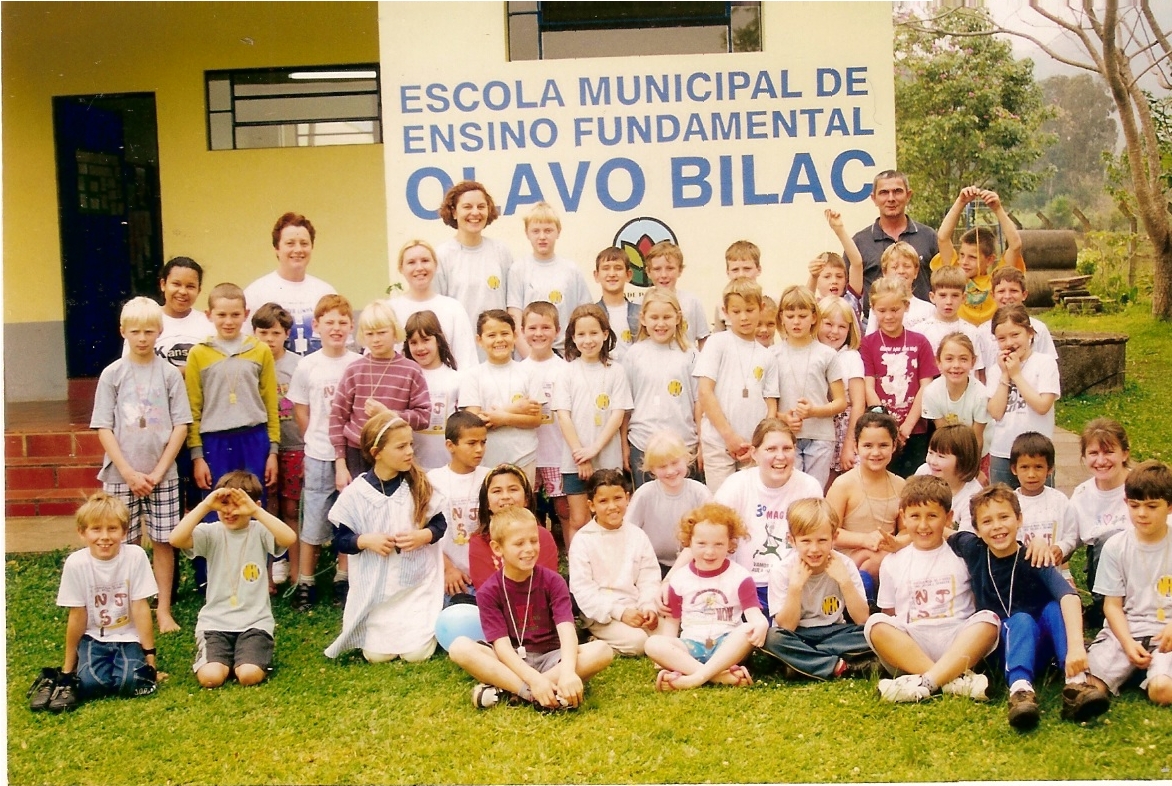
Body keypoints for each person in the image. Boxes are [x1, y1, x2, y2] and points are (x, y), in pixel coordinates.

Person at [950, 485, 1106, 728]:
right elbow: (940, 532)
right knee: (1020, 619)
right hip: (1001, 648)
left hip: (1041, 646)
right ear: (977, 530)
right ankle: (1020, 691)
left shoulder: (1034, 556)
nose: (997, 526)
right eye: (987, 521)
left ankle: (1075, 682)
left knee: (1054, 608)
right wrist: (899, 543)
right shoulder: (974, 549)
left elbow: (1069, 596)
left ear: (1019, 519)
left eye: (1004, 517)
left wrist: (1077, 647)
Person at [448, 507, 614, 709]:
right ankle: (536, 693)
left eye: (533, 541)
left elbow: (567, 629)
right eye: (519, 543)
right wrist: (534, 682)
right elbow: (502, 647)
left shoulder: (553, 581)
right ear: (497, 548)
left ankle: (511, 690)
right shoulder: (489, 591)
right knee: (460, 648)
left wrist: (568, 671)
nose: (529, 549)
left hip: (553, 658)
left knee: (602, 650)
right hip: (511, 661)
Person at [92, 296, 191, 633]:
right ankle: (130, 607)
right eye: (135, 331)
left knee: (164, 541)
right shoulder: (113, 375)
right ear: (123, 332)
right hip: (122, 475)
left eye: (150, 331)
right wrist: (129, 472)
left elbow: (181, 425)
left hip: (162, 475)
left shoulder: (169, 375)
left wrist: (159, 471)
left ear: (159, 332)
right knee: (125, 541)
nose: (143, 338)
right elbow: (103, 426)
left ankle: (162, 610)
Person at [864, 476, 1000, 702]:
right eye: (915, 516)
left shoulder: (961, 556)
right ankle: (953, 681)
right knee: (875, 624)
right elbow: (890, 613)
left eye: (932, 516)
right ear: (903, 518)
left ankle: (923, 683)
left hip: (957, 640)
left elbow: (977, 601)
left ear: (948, 518)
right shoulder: (893, 561)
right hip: (915, 643)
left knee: (989, 620)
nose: (923, 525)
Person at [325, 412, 448, 663]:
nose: (410, 452)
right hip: (376, 592)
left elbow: (439, 524)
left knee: (417, 655)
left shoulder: (418, 485)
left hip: (416, 586)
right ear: (377, 452)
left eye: (411, 445)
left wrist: (422, 536)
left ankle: (422, 630)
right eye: (401, 446)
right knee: (376, 656)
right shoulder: (356, 493)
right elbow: (339, 539)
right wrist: (365, 541)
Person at [31, 492, 159, 712]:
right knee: (90, 685)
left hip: (128, 637)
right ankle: (56, 678)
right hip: (93, 638)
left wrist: (150, 661)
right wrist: (68, 671)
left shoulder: (135, 556)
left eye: (112, 528)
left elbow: (140, 607)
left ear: (124, 531)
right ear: (82, 532)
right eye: (96, 529)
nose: (105, 537)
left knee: (133, 682)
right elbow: (77, 615)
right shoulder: (76, 563)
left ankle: (126, 667)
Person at [169, 471, 296, 688]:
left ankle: (249, 658)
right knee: (211, 677)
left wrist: (256, 511)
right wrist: (206, 505)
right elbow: (176, 538)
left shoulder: (260, 531)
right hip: (216, 623)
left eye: (237, 504)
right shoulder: (211, 532)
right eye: (224, 504)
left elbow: (289, 538)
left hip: (255, 622)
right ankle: (222, 659)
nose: (229, 511)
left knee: (248, 675)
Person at [645, 502, 768, 691]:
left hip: (727, 646)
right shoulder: (679, 579)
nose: (710, 552)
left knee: (746, 630)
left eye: (719, 544)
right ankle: (718, 676)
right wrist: (666, 657)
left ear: (730, 544)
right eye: (701, 544)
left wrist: (761, 623)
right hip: (691, 646)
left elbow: (754, 616)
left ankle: (693, 678)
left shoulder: (740, 576)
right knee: (653, 643)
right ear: (689, 543)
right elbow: (671, 623)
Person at [287, 294, 361, 612]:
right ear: (316, 326)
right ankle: (306, 581)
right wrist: (315, 440)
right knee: (314, 518)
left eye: (342, 322)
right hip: (319, 453)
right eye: (329, 322)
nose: (336, 328)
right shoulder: (307, 365)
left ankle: (343, 578)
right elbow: (300, 410)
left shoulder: (357, 363)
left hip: (352, 453)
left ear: (351, 327)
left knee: (348, 516)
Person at [714, 419, 824, 617]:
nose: (780, 456)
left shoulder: (809, 487)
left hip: (792, 582)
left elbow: (818, 539)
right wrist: (670, 580)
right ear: (754, 453)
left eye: (787, 448)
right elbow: (708, 532)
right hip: (746, 585)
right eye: (771, 449)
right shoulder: (737, 484)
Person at [1084, 460, 1172, 707]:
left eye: (1152, 506)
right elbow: (1112, 606)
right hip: (1128, 629)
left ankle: (1153, 675)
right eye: (1135, 506)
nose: (1142, 513)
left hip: (1166, 633)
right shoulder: (1116, 546)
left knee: (1163, 691)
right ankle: (1131, 670)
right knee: (1088, 686)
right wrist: (1127, 643)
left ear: (1170, 506)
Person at [185, 282, 279, 510]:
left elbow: (270, 403)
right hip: (215, 441)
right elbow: (193, 407)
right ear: (209, 315)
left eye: (235, 315)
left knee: (254, 505)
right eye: (222, 315)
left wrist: (273, 451)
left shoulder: (260, 350)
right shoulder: (198, 353)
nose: (229, 321)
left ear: (246, 315)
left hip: (254, 439)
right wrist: (197, 456)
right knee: (217, 505)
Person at [760, 498, 873, 680]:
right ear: (792, 540)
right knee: (771, 638)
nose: (814, 549)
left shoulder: (844, 564)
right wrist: (795, 587)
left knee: (872, 632)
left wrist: (844, 581)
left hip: (835, 631)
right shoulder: (782, 571)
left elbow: (862, 619)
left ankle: (803, 662)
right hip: (798, 634)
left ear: (834, 538)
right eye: (806, 541)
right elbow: (787, 626)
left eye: (822, 540)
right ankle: (838, 666)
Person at [329, 299, 430, 501]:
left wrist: (389, 415)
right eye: (369, 334)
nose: (375, 339)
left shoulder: (411, 370)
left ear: (394, 332)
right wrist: (340, 463)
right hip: (357, 454)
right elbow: (337, 418)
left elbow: (424, 416)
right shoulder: (354, 370)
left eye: (381, 332)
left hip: (397, 453)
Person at [553, 304, 634, 549]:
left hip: (607, 457)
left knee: (609, 517)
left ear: (605, 334)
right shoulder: (566, 372)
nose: (588, 340)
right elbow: (563, 416)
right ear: (573, 337)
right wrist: (581, 454)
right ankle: (579, 572)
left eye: (594, 333)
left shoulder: (616, 371)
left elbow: (617, 414)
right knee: (579, 519)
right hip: (575, 459)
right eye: (581, 334)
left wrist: (594, 450)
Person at [695, 277, 778, 492]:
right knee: (722, 505)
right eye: (736, 311)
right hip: (718, 442)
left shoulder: (767, 356)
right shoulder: (717, 343)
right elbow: (705, 393)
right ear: (725, 311)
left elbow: (771, 406)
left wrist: (759, 443)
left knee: (750, 504)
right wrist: (729, 436)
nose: (743, 317)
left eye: (750, 310)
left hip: (752, 447)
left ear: (761, 308)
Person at [568, 470, 660, 656]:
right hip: (603, 613)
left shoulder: (637, 535)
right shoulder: (583, 540)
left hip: (635, 606)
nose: (612, 507)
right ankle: (594, 639)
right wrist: (620, 612)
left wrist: (648, 607)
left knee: (666, 633)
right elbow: (583, 590)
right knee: (639, 642)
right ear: (591, 505)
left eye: (617, 498)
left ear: (627, 498)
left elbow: (649, 576)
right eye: (603, 501)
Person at [860, 276, 939, 478]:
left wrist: (908, 426)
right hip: (881, 430)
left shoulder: (920, 342)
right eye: (882, 310)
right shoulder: (868, 343)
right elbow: (869, 386)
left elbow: (926, 385)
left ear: (906, 306)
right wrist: (887, 423)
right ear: (873, 309)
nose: (888, 316)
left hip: (915, 430)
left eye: (895, 310)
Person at [1055, 418, 1132, 623]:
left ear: (1124, 453)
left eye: (1108, 452)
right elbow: (1070, 539)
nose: (1101, 460)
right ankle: (1105, 607)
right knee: (1106, 542)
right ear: (1084, 456)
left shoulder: (1139, 486)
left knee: (1114, 538)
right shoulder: (1082, 495)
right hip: (1104, 572)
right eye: (1093, 453)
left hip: (1142, 565)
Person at [623, 287, 700, 489]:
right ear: (643, 319)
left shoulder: (690, 354)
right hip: (643, 443)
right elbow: (625, 406)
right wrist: (624, 445)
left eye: (667, 317)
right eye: (654, 317)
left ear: (678, 317)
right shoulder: (634, 355)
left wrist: (702, 442)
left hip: (684, 444)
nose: (660, 323)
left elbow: (698, 403)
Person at [826, 411, 905, 601]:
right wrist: (864, 540)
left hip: (885, 554)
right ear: (856, 446)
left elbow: (905, 530)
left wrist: (896, 542)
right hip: (849, 558)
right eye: (868, 446)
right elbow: (828, 533)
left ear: (894, 445)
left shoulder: (901, 485)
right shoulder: (843, 485)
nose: (876, 453)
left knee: (879, 559)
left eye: (883, 445)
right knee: (870, 560)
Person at [250, 302, 302, 589]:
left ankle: (295, 571)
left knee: (291, 510)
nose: (269, 339)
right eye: (263, 332)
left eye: (275, 333)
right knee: (266, 510)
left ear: (286, 334)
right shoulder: (252, 362)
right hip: (261, 446)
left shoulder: (297, 366)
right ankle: (267, 575)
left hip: (293, 445)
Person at [774, 285, 846, 488]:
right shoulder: (772, 355)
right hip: (786, 437)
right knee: (788, 491)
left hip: (821, 437)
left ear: (814, 317)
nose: (796, 321)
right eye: (790, 315)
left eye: (802, 315)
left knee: (814, 492)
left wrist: (815, 411)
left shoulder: (827, 354)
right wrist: (783, 418)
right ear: (781, 318)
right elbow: (767, 403)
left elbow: (841, 401)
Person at [459, 310, 542, 477]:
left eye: (505, 333)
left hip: (524, 457)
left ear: (515, 335)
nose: (499, 340)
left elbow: (535, 419)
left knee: (522, 503)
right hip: (486, 461)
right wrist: (515, 408)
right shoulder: (472, 376)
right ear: (479, 340)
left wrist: (503, 418)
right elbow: (473, 424)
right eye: (491, 335)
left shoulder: (529, 372)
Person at [986, 304, 1060, 488]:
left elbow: (1043, 406)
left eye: (1015, 335)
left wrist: (1017, 375)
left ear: (1030, 333)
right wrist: (1005, 375)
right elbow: (995, 412)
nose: (1009, 343)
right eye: (1002, 338)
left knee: (1041, 506)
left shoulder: (1045, 363)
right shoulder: (996, 369)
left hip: (1037, 452)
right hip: (1002, 451)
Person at [243, 212, 336, 356]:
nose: (298, 250)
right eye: (290, 243)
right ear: (277, 249)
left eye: (304, 243)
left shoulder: (326, 292)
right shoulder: (256, 292)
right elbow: (245, 343)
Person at [506, 201, 591, 357]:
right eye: (536, 231)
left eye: (548, 230)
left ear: (558, 231)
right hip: (529, 356)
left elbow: (585, 316)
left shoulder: (571, 270)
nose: (542, 237)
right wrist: (532, 360)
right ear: (527, 233)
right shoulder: (518, 269)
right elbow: (515, 322)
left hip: (566, 357)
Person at [626, 431, 713, 576]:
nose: (670, 471)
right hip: (651, 564)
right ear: (652, 469)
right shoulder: (644, 494)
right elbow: (629, 532)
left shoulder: (700, 492)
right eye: (662, 466)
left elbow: (711, 533)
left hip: (693, 562)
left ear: (686, 458)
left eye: (674, 462)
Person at [936, 187, 1024, 327]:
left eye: (972, 257)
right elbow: (942, 238)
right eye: (962, 255)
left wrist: (998, 209)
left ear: (990, 259)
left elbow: (1015, 245)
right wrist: (960, 202)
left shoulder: (998, 280)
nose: (964, 262)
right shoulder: (955, 276)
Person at [435, 181, 514, 332]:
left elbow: (511, 307)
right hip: (458, 349)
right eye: (467, 207)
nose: (475, 212)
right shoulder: (442, 255)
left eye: (481, 206)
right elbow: (437, 311)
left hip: (497, 349)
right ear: (454, 212)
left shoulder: (501, 251)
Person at [519, 301, 570, 533]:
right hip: (527, 454)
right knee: (528, 511)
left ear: (557, 331)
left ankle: (570, 558)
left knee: (564, 509)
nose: (539, 333)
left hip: (557, 453)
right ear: (522, 331)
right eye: (532, 328)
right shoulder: (517, 370)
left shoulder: (566, 369)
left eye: (546, 327)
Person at [850, 169, 940, 302]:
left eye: (897, 191)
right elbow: (849, 293)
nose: (891, 198)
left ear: (908, 195)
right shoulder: (859, 242)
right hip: (875, 321)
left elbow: (944, 282)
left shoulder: (928, 237)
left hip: (923, 320)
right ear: (874, 198)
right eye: (884, 193)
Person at [428, 411, 490, 602]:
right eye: (471, 443)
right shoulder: (433, 481)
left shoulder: (491, 477)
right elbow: (424, 532)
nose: (479, 449)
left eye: (483, 442)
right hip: (450, 574)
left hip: (488, 572)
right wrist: (447, 568)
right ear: (450, 445)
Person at [389, 239, 478, 370]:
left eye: (425, 260)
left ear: (435, 265)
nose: (419, 268)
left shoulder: (453, 308)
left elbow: (467, 362)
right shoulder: (389, 310)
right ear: (401, 268)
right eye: (411, 262)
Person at [468, 464, 560, 590]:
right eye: (497, 491)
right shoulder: (479, 541)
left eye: (513, 489)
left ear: (526, 499)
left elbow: (548, 586)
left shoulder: (542, 535)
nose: (505, 496)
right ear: (487, 503)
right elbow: (486, 590)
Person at [401, 309, 463, 471]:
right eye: (413, 342)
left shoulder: (456, 379)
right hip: (413, 468)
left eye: (425, 340)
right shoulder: (405, 378)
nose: (420, 348)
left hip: (448, 466)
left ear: (438, 340)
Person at [817, 295, 864, 485]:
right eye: (828, 324)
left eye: (842, 326)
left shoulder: (851, 357)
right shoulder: (812, 353)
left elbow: (859, 404)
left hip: (845, 430)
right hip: (819, 429)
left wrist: (848, 445)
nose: (834, 332)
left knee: (846, 481)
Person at [979, 266, 1057, 374]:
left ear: (1024, 294)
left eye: (1013, 291)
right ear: (993, 295)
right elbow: (980, 371)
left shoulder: (1039, 328)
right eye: (1001, 291)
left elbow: (1049, 365)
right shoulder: (982, 331)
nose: (1007, 296)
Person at [920, 333, 989, 450]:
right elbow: (943, 434)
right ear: (938, 361)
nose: (956, 365)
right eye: (949, 359)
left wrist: (969, 467)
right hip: (951, 450)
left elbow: (977, 439)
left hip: (978, 452)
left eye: (963, 359)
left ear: (973, 362)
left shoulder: (981, 395)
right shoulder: (931, 392)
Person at [915, 266, 987, 372]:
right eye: (943, 295)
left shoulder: (971, 331)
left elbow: (976, 371)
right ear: (932, 297)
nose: (949, 301)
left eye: (955, 295)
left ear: (963, 298)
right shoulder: (920, 332)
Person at [1010, 432, 1073, 553]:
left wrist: (1061, 547)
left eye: (1038, 467)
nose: (1031, 475)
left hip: (1051, 569)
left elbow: (1071, 534)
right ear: (1014, 469)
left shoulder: (1059, 501)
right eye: (1024, 467)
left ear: (1050, 469)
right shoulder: (1009, 502)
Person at [151, 256, 213, 374]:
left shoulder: (209, 324)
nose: (183, 292)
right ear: (163, 284)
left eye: (190, 286)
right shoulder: (146, 320)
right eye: (176, 284)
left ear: (199, 290)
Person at [917, 424, 983, 532]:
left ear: (963, 459)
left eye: (941, 456)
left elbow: (966, 541)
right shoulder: (924, 471)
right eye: (930, 453)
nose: (932, 461)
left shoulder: (974, 497)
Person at [645, 241, 710, 351]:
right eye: (657, 269)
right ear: (648, 272)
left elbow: (703, 339)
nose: (664, 275)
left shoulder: (692, 302)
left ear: (680, 270)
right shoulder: (641, 303)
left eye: (670, 268)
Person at [863, 242, 935, 335]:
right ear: (885, 272)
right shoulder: (880, 308)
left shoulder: (928, 310)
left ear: (916, 272)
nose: (901, 271)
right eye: (894, 267)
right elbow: (870, 338)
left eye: (907, 266)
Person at [806, 208, 865, 323]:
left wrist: (839, 230)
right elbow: (804, 301)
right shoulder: (814, 307)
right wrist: (813, 276)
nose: (834, 281)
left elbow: (857, 263)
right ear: (817, 283)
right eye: (827, 276)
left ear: (846, 280)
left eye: (839, 276)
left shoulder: (850, 302)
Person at [593, 246, 640, 362]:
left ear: (628, 275)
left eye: (618, 268)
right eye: (606, 268)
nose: (612, 274)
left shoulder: (641, 313)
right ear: (596, 275)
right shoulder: (591, 314)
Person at [712, 240, 762, 333]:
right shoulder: (721, 305)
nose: (741, 274)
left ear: (758, 270)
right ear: (728, 272)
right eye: (735, 270)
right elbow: (718, 335)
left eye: (747, 269)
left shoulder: (770, 301)